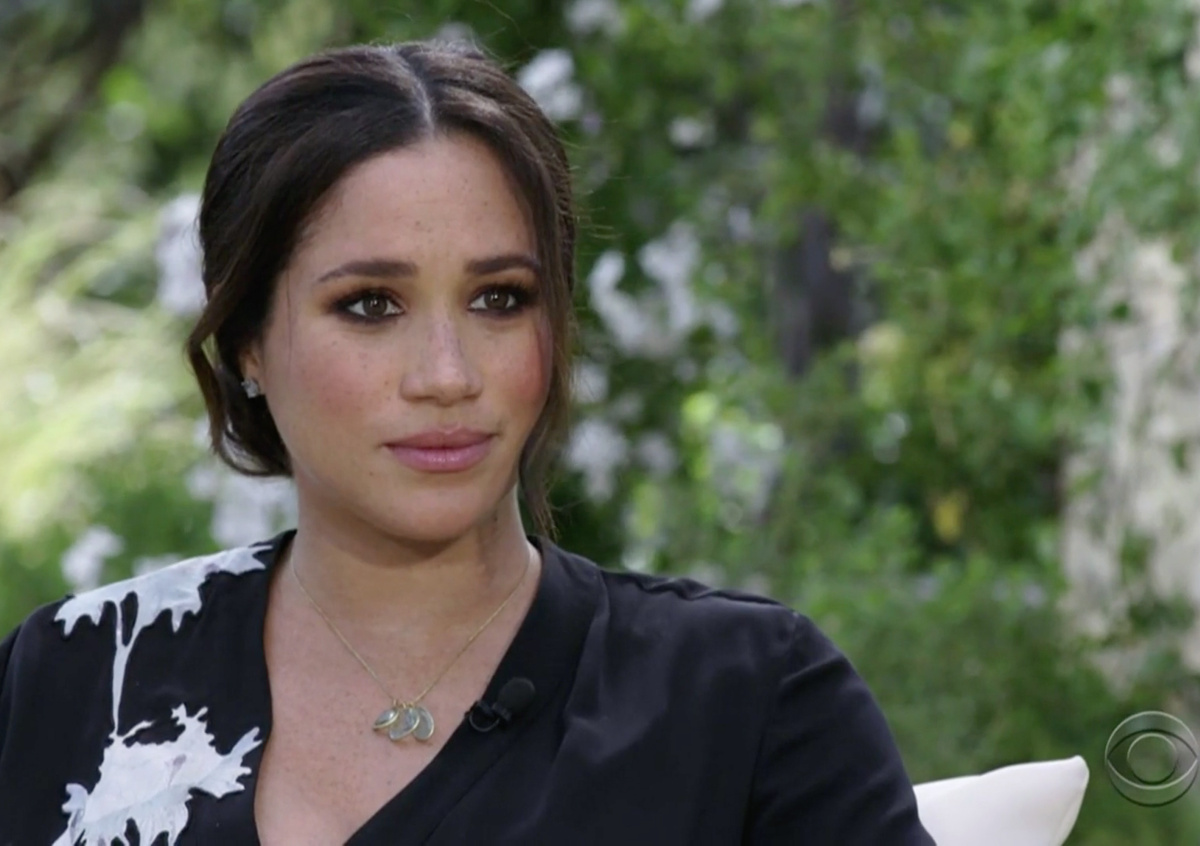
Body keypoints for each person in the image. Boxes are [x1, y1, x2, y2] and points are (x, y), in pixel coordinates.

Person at [0, 40, 934, 845]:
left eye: (499, 299)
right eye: (371, 305)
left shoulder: (748, 702)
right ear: (246, 337)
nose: (447, 375)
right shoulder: (69, 682)